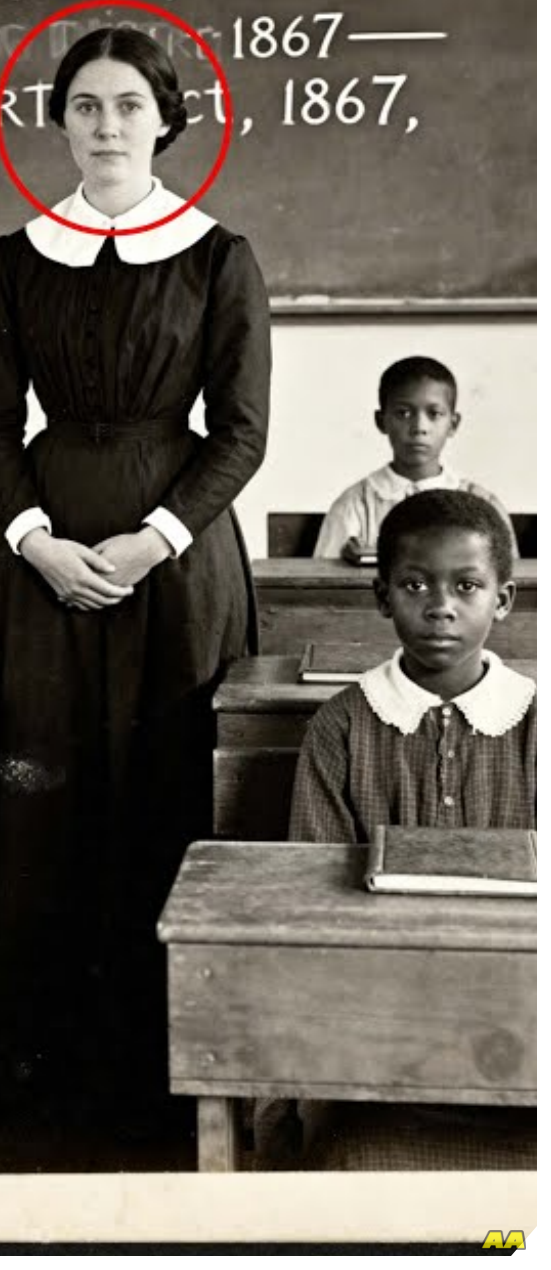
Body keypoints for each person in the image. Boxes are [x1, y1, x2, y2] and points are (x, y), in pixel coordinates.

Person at [0, 25, 271, 1131]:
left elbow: (243, 433)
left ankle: (174, 1071)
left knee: (166, 791)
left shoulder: (223, 256)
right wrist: (35, 541)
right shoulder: (16, 257)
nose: (108, 125)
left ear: (166, 120)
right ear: (61, 121)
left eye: (129, 105)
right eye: (86, 106)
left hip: (176, 571)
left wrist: (151, 540)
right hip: (44, 568)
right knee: (41, 802)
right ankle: (33, 1064)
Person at [258, 489, 536, 1170]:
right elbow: (312, 899)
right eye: (414, 584)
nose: (440, 605)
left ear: (503, 599)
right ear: (381, 596)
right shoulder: (341, 728)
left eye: (467, 585)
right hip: (374, 1017)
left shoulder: (536, 725)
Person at [313, 356, 516, 560]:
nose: (419, 427)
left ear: (453, 424)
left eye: (434, 414)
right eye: (403, 413)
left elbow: (509, 579)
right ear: (381, 421)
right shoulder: (355, 505)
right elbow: (324, 583)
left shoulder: (483, 505)